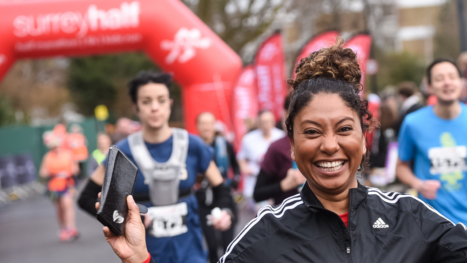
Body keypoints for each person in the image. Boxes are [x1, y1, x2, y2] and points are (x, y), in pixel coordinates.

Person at [105, 40, 467, 263]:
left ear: (364, 136)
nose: (329, 144)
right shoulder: (263, 239)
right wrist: (140, 259)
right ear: (291, 146)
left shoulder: (411, 219)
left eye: (344, 129)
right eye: (311, 132)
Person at [78, 71, 232, 263]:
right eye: (146, 101)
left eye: (161, 100)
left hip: (191, 253)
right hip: (145, 255)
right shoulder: (123, 152)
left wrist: (225, 211)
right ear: (136, 108)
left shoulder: (192, 145)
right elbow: (86, 198)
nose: (154, 108)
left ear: (170, 103)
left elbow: (221, 189)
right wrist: (123, 220)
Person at [396, 58, 467, 225]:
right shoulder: (413, 123)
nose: (447, 83)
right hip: (433, 225)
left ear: (461, 81)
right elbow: (400, 166)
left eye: (452, 77)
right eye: (439, 78)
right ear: (429, 86)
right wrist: (419, 185)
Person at [195, 112, 240, 263]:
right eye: (203, 123)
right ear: (198, 126)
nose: (207, 127)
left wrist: (236, 179)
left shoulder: (223, 144)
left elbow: (235, 165)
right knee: (212, 245)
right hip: (203, 200)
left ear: (215, 125)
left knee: (228, 244)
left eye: (210, 123)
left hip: (224, 196)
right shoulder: (193, 147)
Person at [253, 93, 306, 205]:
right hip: (289, 215)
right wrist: (285, 184)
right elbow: (258, 193)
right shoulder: (277, 147)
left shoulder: (324, 144)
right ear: (285, 115)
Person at [237, 110, 285, 208]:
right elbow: (241, 157)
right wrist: (245, 168)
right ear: (258, 122)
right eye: (263, 121)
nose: (266, 125)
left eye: (268, 121)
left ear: (273, 121)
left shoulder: (281, 136)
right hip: (254, 183)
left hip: (276, 184)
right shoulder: (248, 139)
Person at [39, 131, 79, 241]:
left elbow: (75, 169)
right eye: (52, 146)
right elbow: (42, 173)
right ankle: (63, 229)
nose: (55, 148)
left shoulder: (68, 154)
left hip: (67, 184)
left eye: (56, 145)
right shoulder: (47, 157)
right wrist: (54, 173)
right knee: (60, 208)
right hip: (54, 186)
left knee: (68, 205)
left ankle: (71, 228)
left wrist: (69, 172)